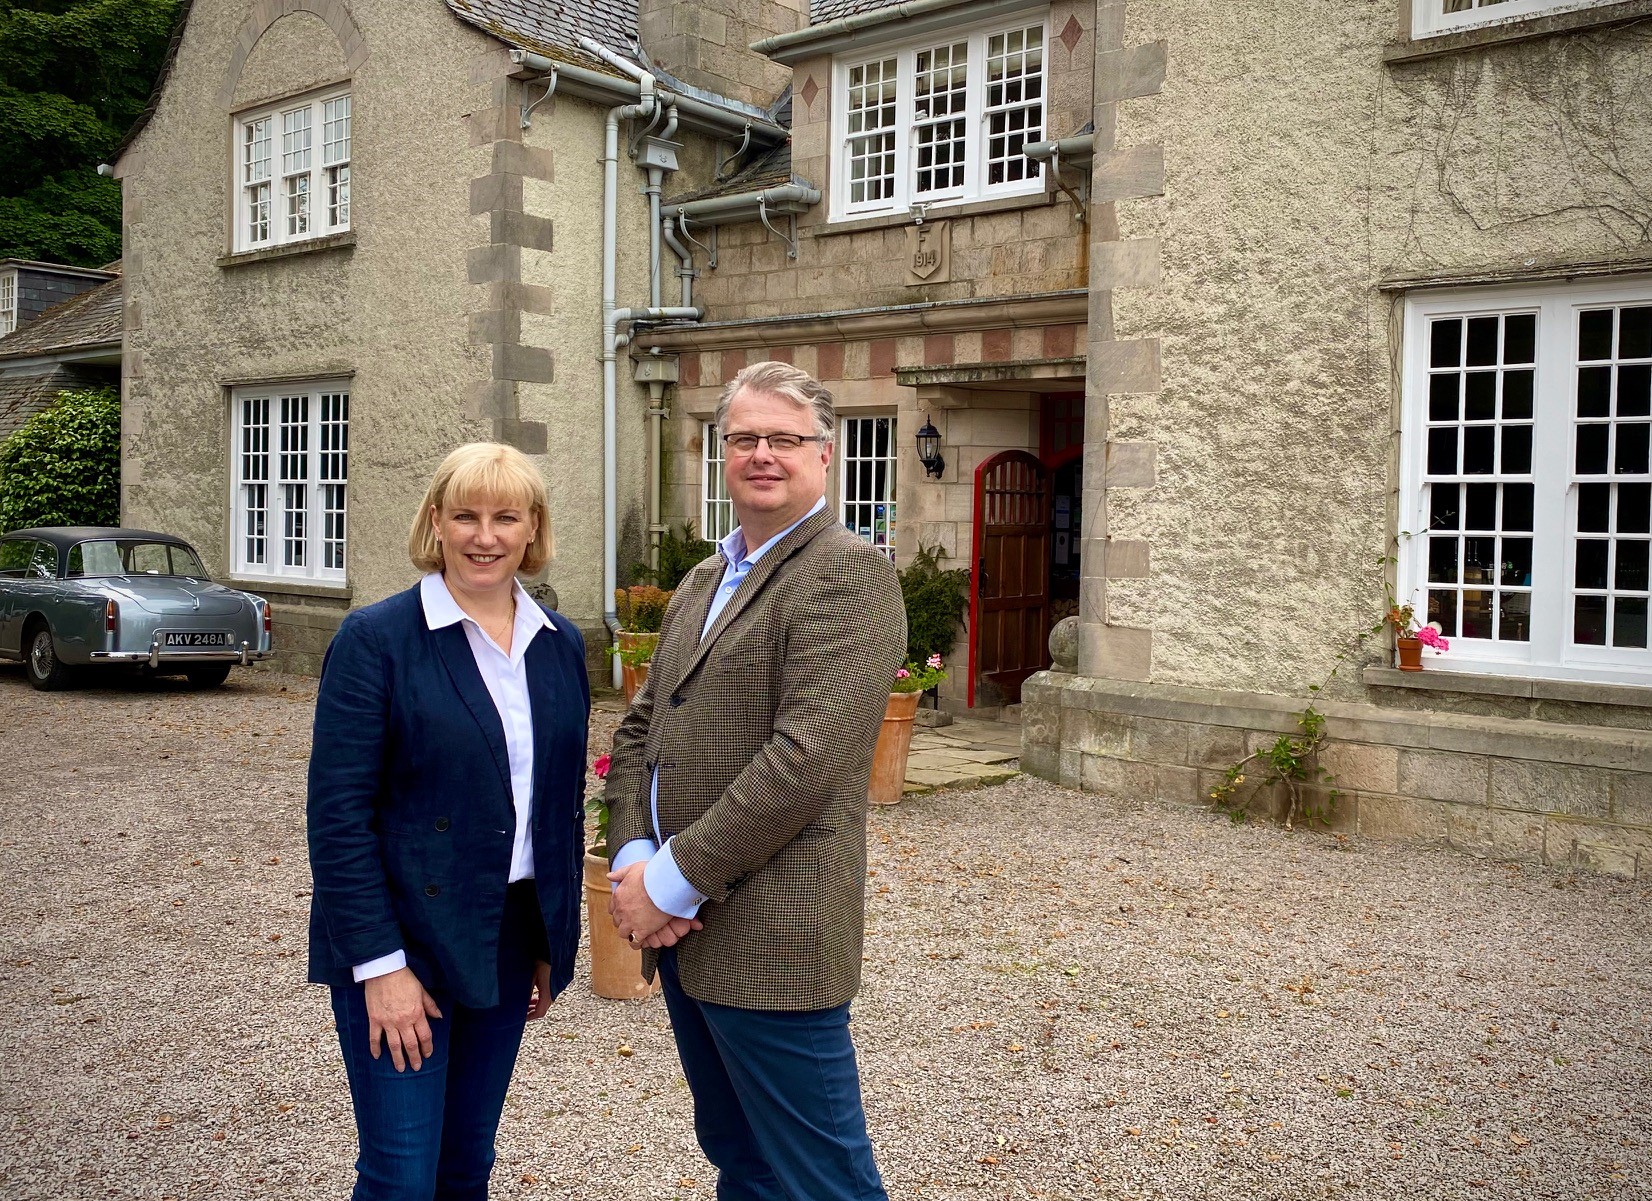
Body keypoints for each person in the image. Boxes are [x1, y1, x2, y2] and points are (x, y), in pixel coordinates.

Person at [605, 361, 907, 1201]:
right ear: (722, 453)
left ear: (824, 453)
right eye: (744, 438)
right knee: (745, 1161)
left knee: (824, 1180)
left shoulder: (847, 571)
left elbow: (806, 759)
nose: (762, 453)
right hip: (685, 934)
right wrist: (633, 854)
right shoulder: (705, 579)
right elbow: (641, 727)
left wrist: (669, 880)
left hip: (774, 938)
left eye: (784, 438)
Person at [306, 442, 590, 1201]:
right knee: (401, 1173)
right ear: (436, 522)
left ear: (534, 529)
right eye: (465, 514)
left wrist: (549, 936)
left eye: (506, 516)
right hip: (405, 943)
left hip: (505, 934)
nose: (484, 535)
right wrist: (380, 966)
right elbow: (337, 819)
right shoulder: (376, 641)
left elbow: (555, 809)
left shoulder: (560, 646)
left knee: (467, 1163)